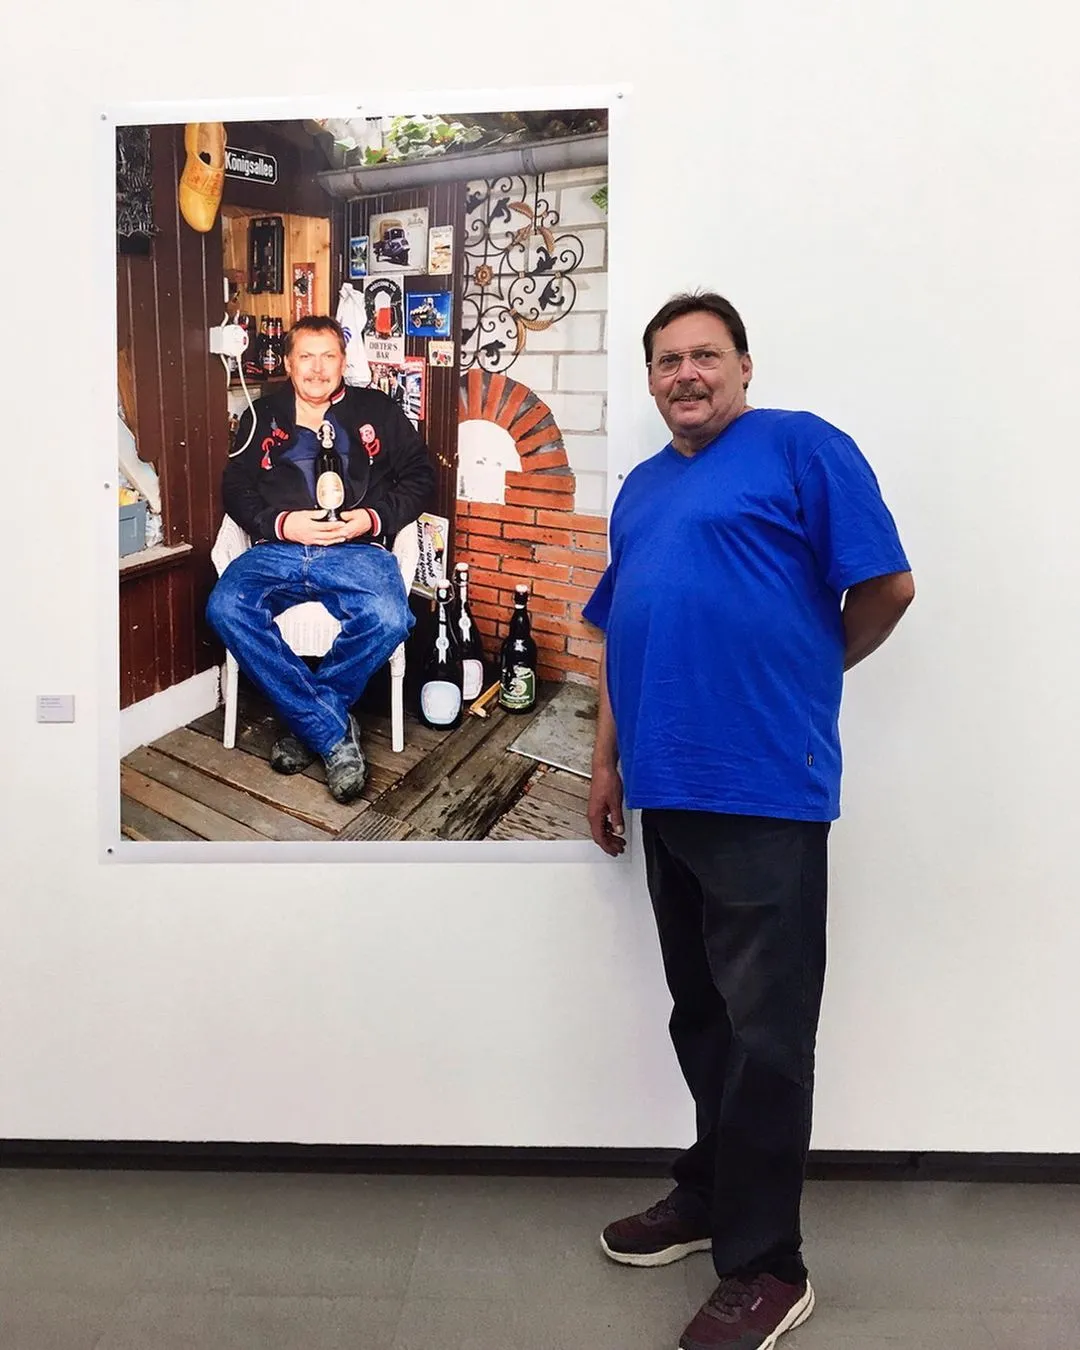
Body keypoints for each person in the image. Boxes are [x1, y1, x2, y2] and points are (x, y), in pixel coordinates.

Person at [583, 292, 914, 1350]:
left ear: (743, 365)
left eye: (706, 355)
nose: (687, 373)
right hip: (666, 788)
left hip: (766, 785)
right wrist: (605, 764)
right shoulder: (642, 489)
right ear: (651, 380)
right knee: (703, 1015)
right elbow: (620, 633)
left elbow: (889, 588)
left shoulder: (801, 448)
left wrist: (807, 670)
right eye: (668, 360)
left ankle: (770, 1263)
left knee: (767, 1037)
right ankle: (711, 1191)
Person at [207, 316, 434, 804]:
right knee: (225, 607)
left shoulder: (378, 410)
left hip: (356, 549)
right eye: (306, 357)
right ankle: (331, 730)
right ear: (288, 364)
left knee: (391, 617)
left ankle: (308, 725)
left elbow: (421, 477)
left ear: (343, 362)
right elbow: (235, 487)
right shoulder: (261, 415)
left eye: (328, 356)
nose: (317, 368)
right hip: (277, 549)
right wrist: (281, 524)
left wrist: (370, 518)